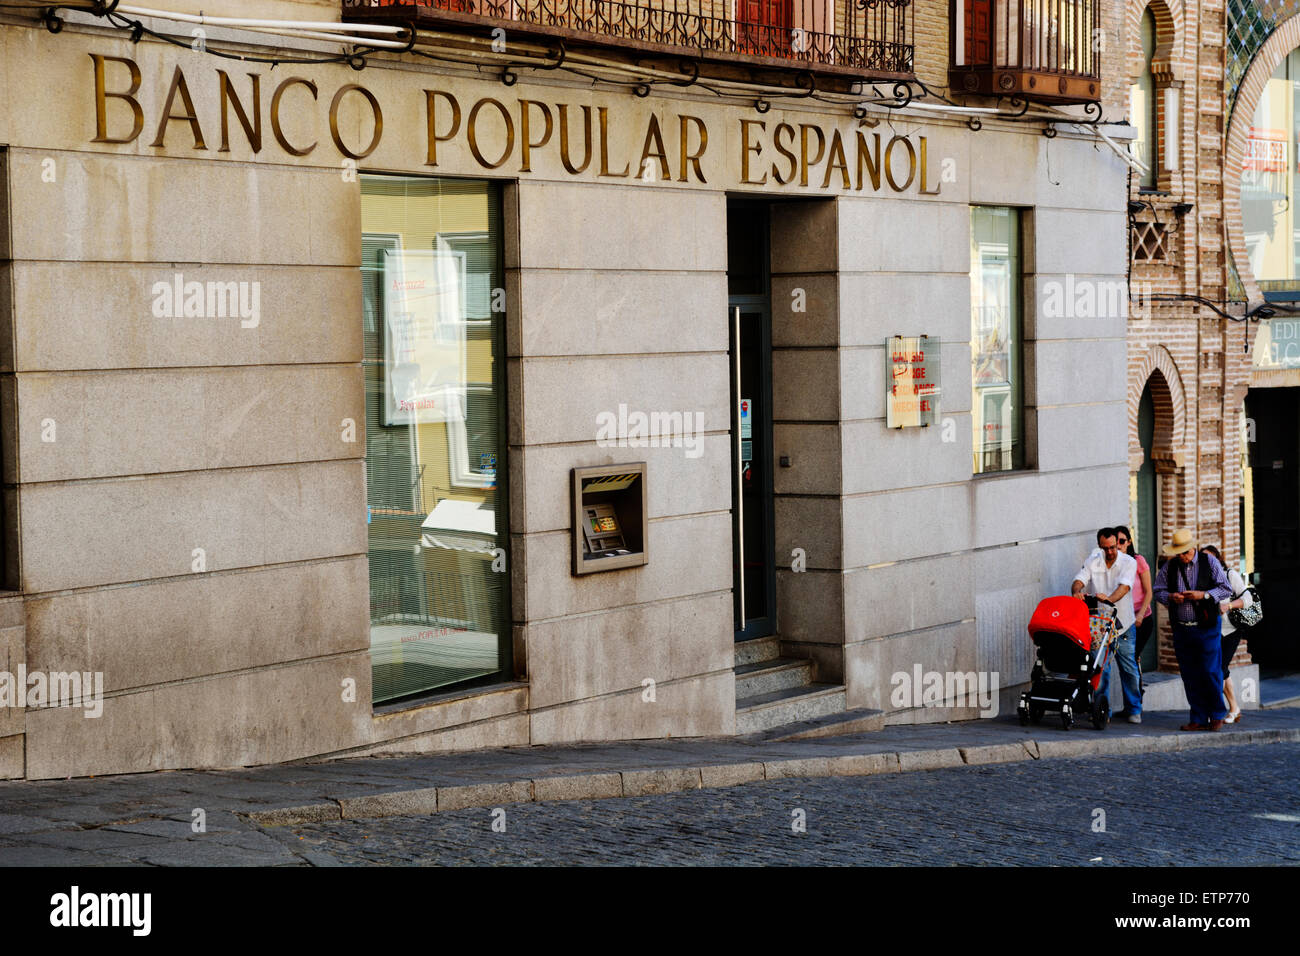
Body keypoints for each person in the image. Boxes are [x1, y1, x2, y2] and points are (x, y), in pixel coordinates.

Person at [1152, 528, 1232, 731]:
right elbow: (1158, 590)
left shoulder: (1209, 562)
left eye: (1185, 552)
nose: (1182, 556)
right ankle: (1197, 716)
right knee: (1189, 673)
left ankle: (1216, 714)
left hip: (1207, 627)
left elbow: (1225, 588)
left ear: (1193, 548)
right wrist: (1171, 597)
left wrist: (1203, 595)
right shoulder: (1170, 567)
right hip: (1182, 629)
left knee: (1210, 670)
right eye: (1178, 553)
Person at [1071, 527, 1142, 722]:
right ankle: (1103, 711)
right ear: (1099, 546)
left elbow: (1125, 587)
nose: (1110, 551)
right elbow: (1079, 579)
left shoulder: (1129, 562)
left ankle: (1134, 709)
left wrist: (1109, 599)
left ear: (1117, 544)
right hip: (1099, 625)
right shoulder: (1093, 560)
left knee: (1128, 667)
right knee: (1100, 669)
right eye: (1105, 548)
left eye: (1112, 547)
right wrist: (1077, 590)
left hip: (1123, 624)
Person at [1201, 545, 1253, 725]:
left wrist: (1228, 606)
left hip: (1230, 629)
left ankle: (1220, 710)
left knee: (1219, 669)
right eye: (1203, 559)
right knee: (1219, 670)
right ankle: (1233, 708)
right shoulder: (1202, 579)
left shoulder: (1230, 575)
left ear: (1218, 559)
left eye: (1210, 559)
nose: (1206, 562)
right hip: (1210, 630)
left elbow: (1248, 599)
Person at [1116, 525, 1153, 692]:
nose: (1118, 545)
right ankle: (1134, 699)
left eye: (1122, 541)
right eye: (1115, 541)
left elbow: (1148, 592)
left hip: (1141, 620)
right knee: (1129, 660)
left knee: (1131, 658)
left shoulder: (1138, 560)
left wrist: (1140, 615)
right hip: (1123, 620)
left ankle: (1136, 698)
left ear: (1129, 542)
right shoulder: (1113, 564)